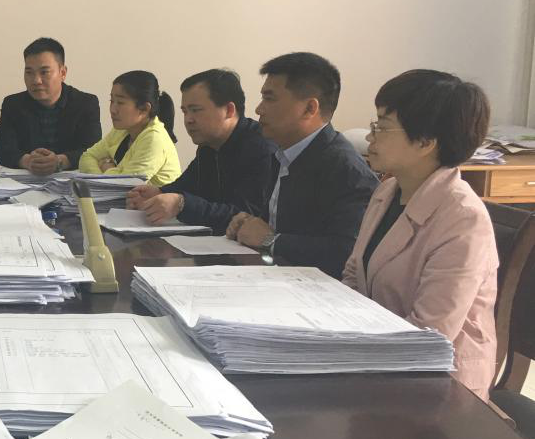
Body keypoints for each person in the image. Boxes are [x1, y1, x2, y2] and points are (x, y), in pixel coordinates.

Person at [342, 71, 497, 398]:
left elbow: (430, 335)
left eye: (382, 127)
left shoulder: (462, 218)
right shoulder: (387, 192)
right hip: (381, 363)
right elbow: (355, 274)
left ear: (426, 142)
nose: (370, 137)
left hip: (441, 386)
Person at [226, 52, 378, 278]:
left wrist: (270, 240)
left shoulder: (346, 170)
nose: (259, 109)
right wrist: (248, 223)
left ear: (309, 109)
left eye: (270, 99)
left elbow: (347, 254)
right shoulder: (283, 153)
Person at [128, 69, 276, 230]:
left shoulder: (261, 148)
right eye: (185, 111)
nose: (188, 120)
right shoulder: (208, 145)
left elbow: (247, 216)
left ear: (229, 110)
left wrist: (181, 204)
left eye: (196, 110)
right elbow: (186, 185)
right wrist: (158, 193)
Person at [0, 37, 101, 174]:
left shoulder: (85, 103)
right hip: (25, 181)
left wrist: (59, 161)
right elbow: (2, 151)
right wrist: (28, 161)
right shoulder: (13, 104)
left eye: (44, 72)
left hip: (71, 181)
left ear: (63, 73)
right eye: (29, 72)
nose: (36, 80)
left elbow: (93, 150)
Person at [78, 70, 181, 185]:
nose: (112, 110)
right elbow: (86, 158)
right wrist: (107, 175)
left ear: (144, 109)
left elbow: (124, 186)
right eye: (112, 101)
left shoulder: (154, 139)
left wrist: (106, 167)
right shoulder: (121, 130)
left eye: (120, 103)